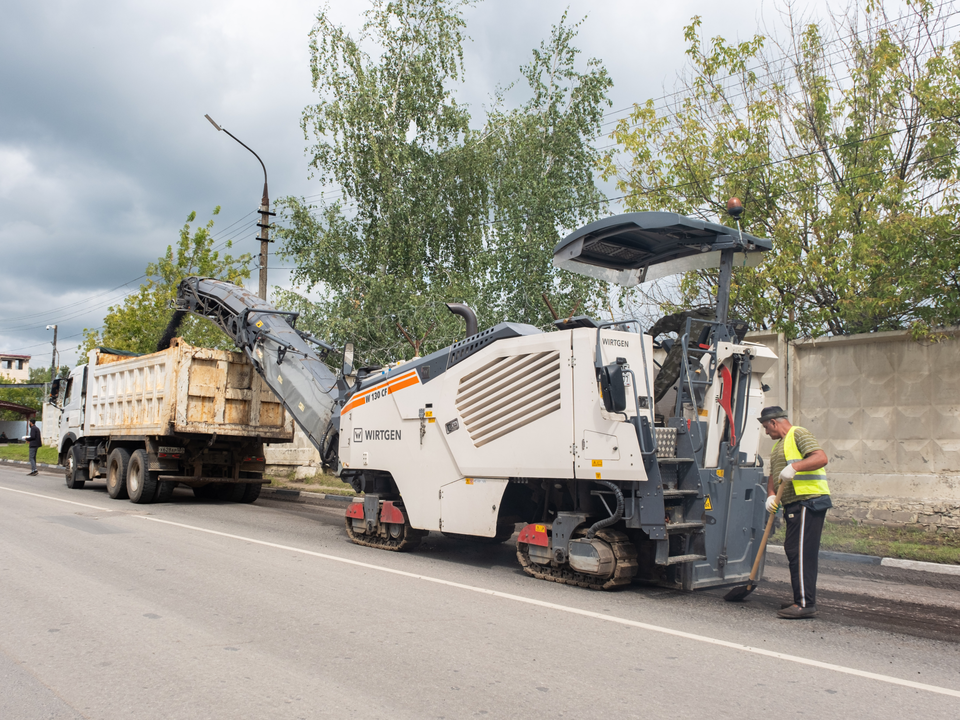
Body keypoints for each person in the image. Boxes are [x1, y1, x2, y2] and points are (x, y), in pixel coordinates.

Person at [760, 406, 831, 619]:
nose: (765, 432)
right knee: (793, 550)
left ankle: (805, 603)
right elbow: (774, 475)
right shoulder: (778, 447)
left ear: (774, 422)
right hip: (793, 506)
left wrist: (796, 467)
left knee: (801, 553)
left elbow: (820, 457)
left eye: (766, 427)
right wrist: (771, 495)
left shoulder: (798, 433)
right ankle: (800, 598)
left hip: (809, 503)